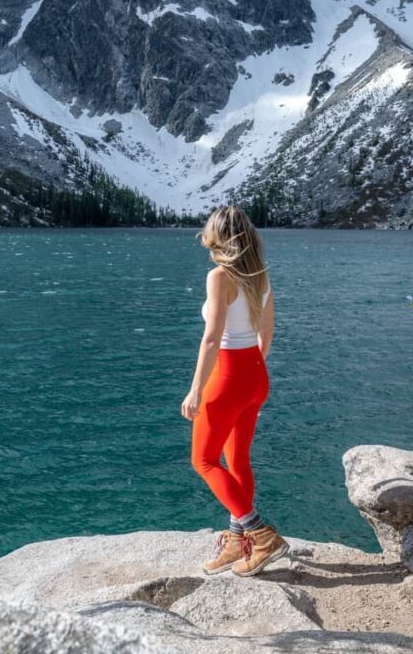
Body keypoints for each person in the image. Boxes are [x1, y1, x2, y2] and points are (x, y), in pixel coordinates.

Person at [181, 204, 289, 576]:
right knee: (237, 460)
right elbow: (268, 330)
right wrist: (253, 368)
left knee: (204, 460)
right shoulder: (260, 276)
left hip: (227, 375)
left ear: (219, 238)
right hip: (255, 374)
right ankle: (235, 540)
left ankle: (260, 535)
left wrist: (196, 389)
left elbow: (212, 339)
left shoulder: (219, 277)